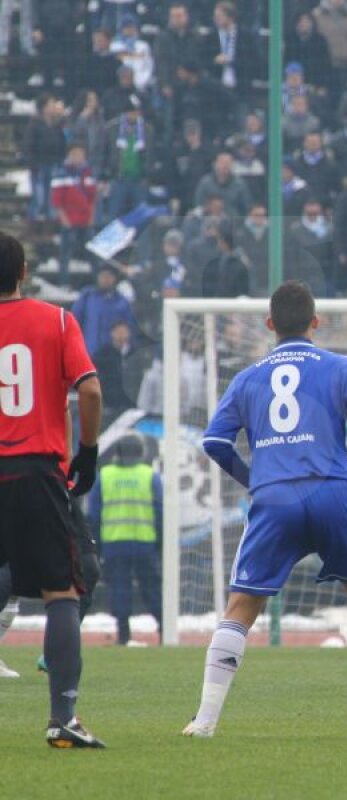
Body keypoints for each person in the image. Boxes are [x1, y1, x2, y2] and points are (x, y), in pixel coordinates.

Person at [186, 281, 347, 738]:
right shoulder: (341, 366)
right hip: (332, 491)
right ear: (315, 322)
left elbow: (215, 442)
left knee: (241, 606)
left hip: (274, 497)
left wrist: (253, 479)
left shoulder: (247, 377)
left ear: (269, 325)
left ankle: (204, 721)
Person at [0, 232, 105, 747]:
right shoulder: (57, 320)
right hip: (38, 470)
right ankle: (62, 718)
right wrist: (88, 451)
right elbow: (89, 387)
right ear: (23, 273)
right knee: (61, 591)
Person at [90, 433, 162, 646]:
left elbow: (94, 514)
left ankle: (123, 635)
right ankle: (165, 631)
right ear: (141, 453)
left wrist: (97, 544)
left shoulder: (105, 476)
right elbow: (160, 512)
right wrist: (159, 542)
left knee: (119, 588)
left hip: (114, 542)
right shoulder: (150, 476)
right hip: (144, 542)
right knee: (152, 588)